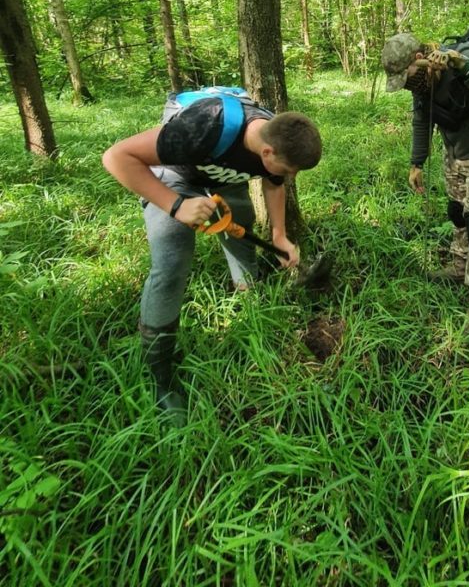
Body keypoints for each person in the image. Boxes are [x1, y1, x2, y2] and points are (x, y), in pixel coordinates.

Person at [102, 89, 322, 424]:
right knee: (172, 259)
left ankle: (249, 296)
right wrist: (176, 206)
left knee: (241, 220)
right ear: (266, 151)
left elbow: (274, 183)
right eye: (290, 169)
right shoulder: (204, 126)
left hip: (222, 172)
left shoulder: (277, 139)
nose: (291, 175)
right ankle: (161, 377)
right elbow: (117, 157)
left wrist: (279, 235)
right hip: (176, 174)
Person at [381, 29, 469, 298]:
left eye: (406, 77)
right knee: (457, 213)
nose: (407, 85)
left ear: (419, 58)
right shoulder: (422, 81)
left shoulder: (466, 56)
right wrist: (417, 162)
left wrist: (463, 66)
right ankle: (459, 267)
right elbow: (422, 118)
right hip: (455, 152)